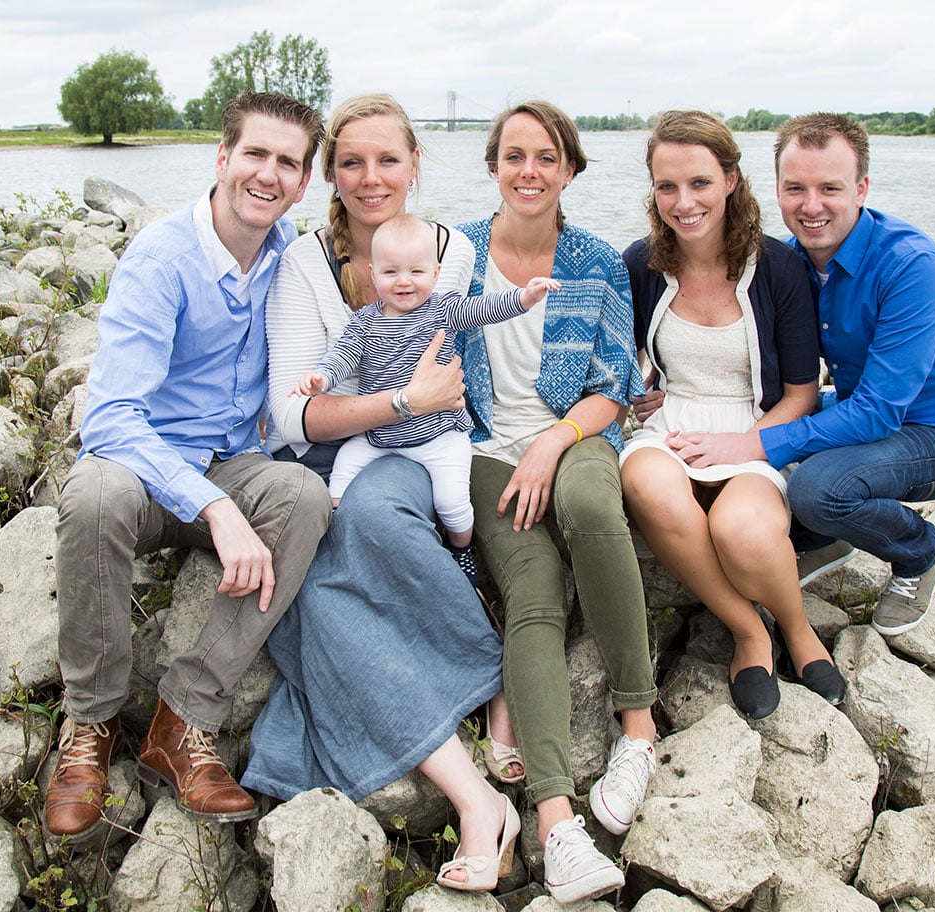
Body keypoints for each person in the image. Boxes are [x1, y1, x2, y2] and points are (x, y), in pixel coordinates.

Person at [246, 94, 519, 894]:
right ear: (331, 173)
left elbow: (448, 392)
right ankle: (477, 785)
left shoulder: (450, 255)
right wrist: (399, 400)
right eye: (352, 162)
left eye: (387, 160)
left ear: (415, 165)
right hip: (338, 445)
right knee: (312, 579)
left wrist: (407, 407)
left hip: (418, 449)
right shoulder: (302, 263)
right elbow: (295, 412)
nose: (371, 179)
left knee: (363, 520)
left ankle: (474, 732)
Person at [44, 92, 332, 844]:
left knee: (304, 495)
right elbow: (108, 418)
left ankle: (184, 719)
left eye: (288, 164)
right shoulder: (162, 257)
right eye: (256, 155)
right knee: (95, 493)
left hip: (234, 460)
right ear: (223, 158)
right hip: (144, 469)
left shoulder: (286, 252)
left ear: (304, 182)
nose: (268, 175)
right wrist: (215, 508)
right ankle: (91, 725)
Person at [457, 100, 656, 905]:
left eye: (546, 157)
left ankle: (638, 729)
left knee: (594, 511)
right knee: (533, 594)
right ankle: (555, 825)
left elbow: (616, 387)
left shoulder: (597, 262)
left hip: (577, 433)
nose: (529, 171)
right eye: (514, 156)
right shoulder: (456, 255)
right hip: (478, 452)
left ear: (569, 169)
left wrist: (552, 441)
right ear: (494, 167)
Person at [725, 112, 935, 636]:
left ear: (861, 189)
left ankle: (919, 551)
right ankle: (827, 539)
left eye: (830, 188)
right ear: (777, 191)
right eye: (795, 188)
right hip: (861, 408)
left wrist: (756, 445)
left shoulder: (909, 264)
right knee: (747, 416)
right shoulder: (789, 260)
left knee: (816, 487)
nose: (811, 207)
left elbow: (878, 411)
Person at [619, 110, 845, 720]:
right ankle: (751, 632)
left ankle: (797, 628)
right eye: (667, 186)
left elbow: (801, 393)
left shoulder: (779, 268)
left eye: (699, 182)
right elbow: (624, 357)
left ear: (731, 181)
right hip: (670, 425)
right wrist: (637, 390)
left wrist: (740, 444)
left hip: (754, 426)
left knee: (741, 530)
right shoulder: (642, 263)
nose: (683, 201)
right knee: (645, 481)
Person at [293, 213, 560, 583]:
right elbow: (342, 357)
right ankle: (338, 542)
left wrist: (525, 296)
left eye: (416, 272)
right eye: (391, 273)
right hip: (380, 437)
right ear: (372, 274)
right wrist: (320, 379)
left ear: (435, 273)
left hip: (438, 437)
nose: (404, 282)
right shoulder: (364, 322)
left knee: (452, 504)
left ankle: (462, 551)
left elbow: (487, 308)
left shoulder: (444, 309)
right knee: (337, 482)